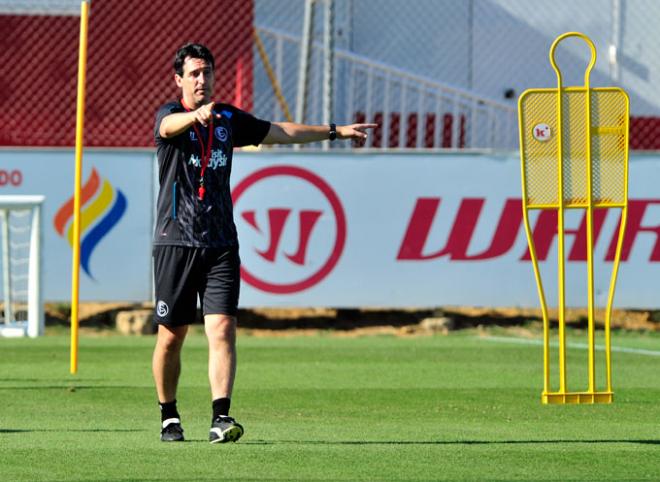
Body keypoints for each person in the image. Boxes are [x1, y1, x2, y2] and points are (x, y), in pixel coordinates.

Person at [152, 43, 376, 443]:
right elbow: (167, 129)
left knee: (222, 328)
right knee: (172, 335)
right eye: (195, 74)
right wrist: (193, 117)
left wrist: (335, 131)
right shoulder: (169, 116)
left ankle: (221, 417)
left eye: (208, 72)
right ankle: (169, 416)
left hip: (221, 242)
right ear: (179, 80)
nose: (203, 80)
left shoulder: (226, 119)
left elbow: (278, 131)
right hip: (177, 242)